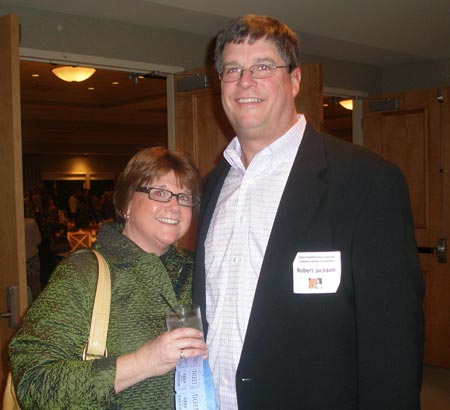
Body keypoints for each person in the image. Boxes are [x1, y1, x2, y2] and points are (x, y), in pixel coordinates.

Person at [192, 14, 424, 410]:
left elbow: (393, 345)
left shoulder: (365, 181)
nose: (245, 81)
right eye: (232, 70)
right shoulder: (213, 184)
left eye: (263, 66)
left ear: (295, 79)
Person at [9, 147, 207, 409]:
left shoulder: (196, 270)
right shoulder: (85, 272)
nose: (174, 206)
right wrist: (143, 362)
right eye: (159, 193)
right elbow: (33, 382)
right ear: (125, 203)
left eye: (184, 197)